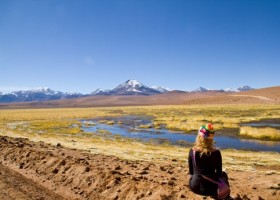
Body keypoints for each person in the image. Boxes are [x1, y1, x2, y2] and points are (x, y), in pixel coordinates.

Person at [188, 123, 231, 199]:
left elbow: (191, 172)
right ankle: (226, 196)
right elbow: (218, 173)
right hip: (211, 189)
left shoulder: (192, 151)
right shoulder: (216, 153)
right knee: (223, 175)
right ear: (211, 138)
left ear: (199, 136)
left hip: (194, 186)